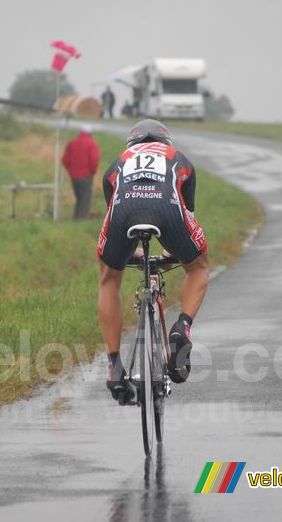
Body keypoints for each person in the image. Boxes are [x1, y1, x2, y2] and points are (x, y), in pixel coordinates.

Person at [97, 119, 210, 403]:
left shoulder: (118, 162)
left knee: (109, 278)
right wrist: (177, 253)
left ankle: (114, 366)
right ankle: (181, 327)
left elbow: (117, 209)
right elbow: (187, 213)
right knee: (198, 267)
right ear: (165, 143)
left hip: (124, 213)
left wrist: (128, 253)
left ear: (131, 146)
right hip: (167, 211)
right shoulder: (178, 158)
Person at [61, 124, 101, 220]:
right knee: (85, 200)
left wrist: (71, 171)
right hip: (86, 176)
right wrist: (92, 172)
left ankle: (76, 219)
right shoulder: (92, 144)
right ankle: (80, 221)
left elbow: (64, 160)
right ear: (90, 133)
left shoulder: (72, 143)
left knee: (79, 198)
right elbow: (94, 160)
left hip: (74, 176)